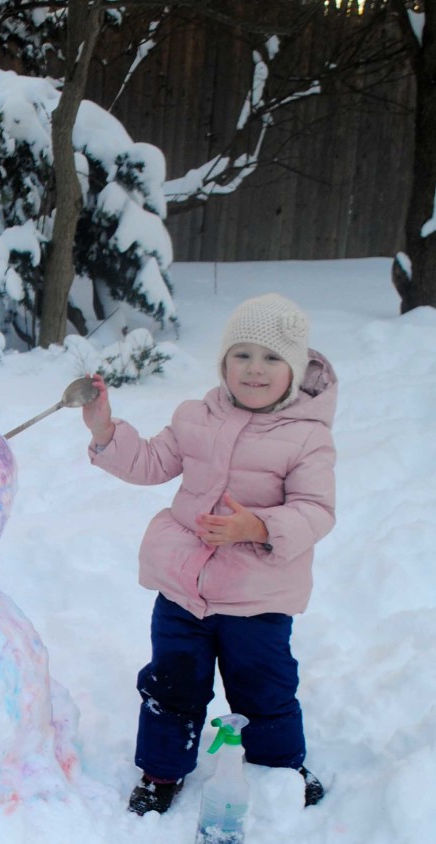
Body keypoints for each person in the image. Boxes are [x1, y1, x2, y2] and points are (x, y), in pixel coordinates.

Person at [83, 293, 336, 814]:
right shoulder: (196, 416)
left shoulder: (307, 438)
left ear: (294, 368)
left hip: (257, 596)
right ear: (224, 362)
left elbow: (317, 509)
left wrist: (258, 525)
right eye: (241, 355)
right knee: (172, 684)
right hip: (184, 588)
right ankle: (162, 771)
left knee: (264, 688)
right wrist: (106, 431)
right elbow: (152, 463)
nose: (254, 370)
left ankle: (277, 768)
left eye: (271, 359)